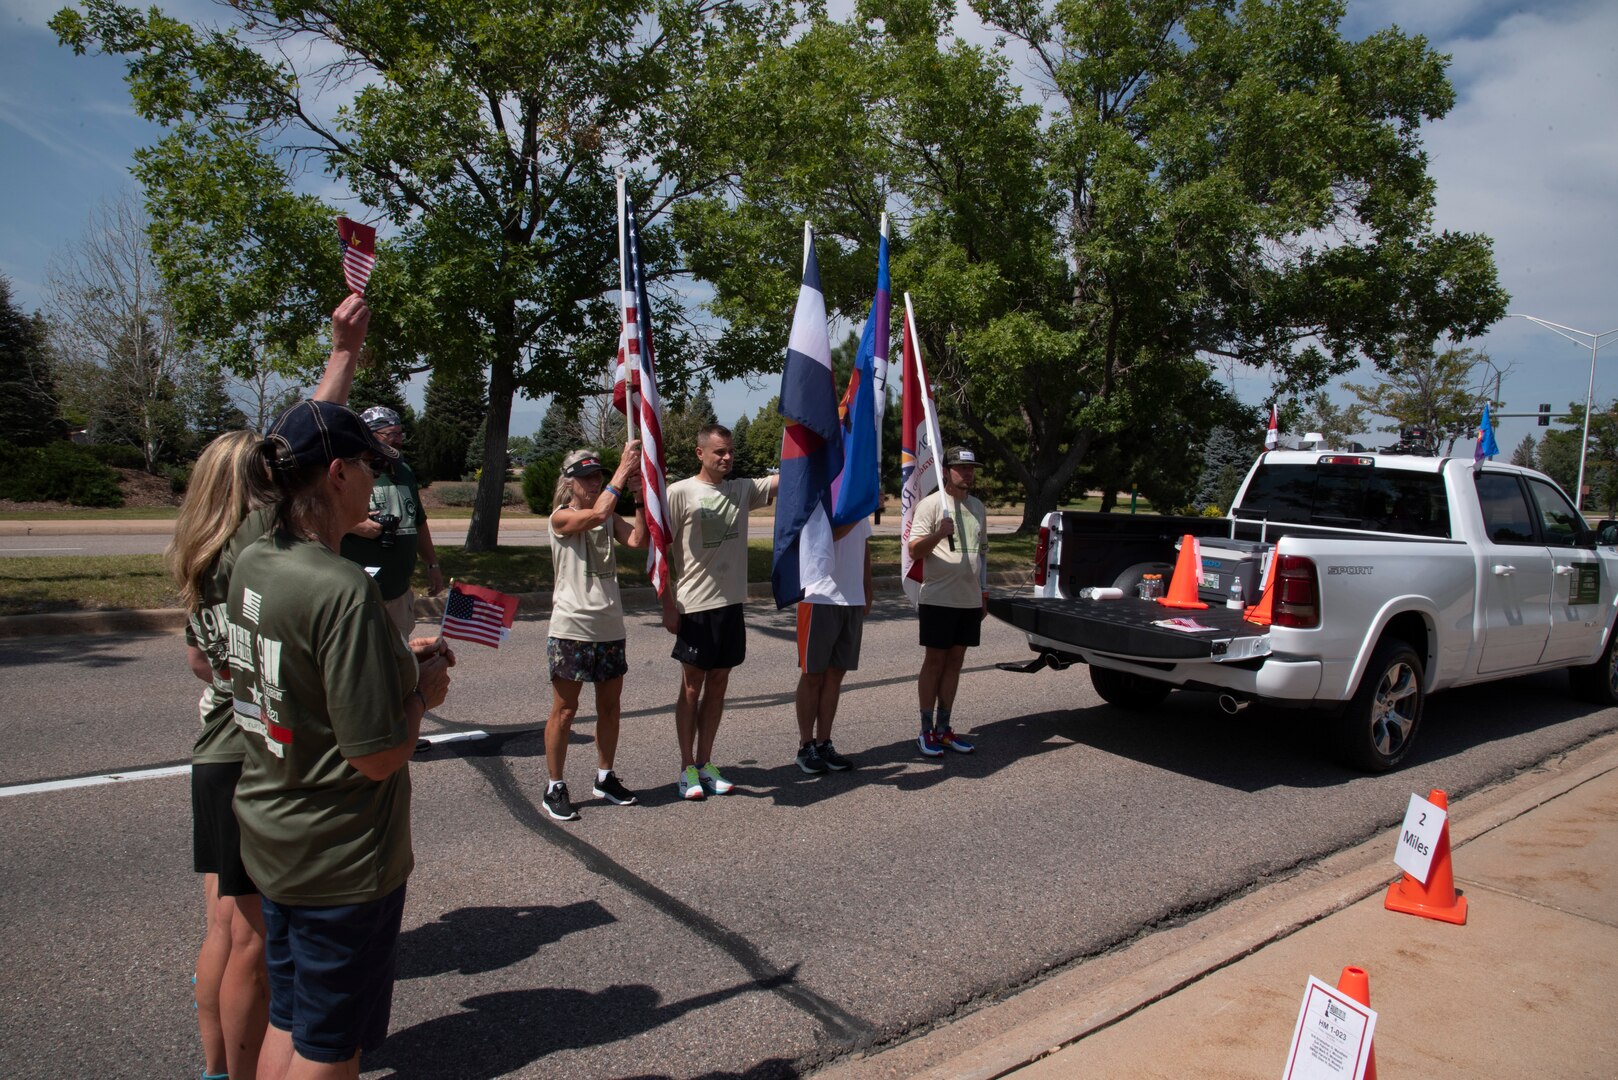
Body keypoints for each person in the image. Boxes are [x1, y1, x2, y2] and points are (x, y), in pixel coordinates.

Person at [162, 294, 373, 1080]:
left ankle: (219, 1068)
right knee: (251, 941)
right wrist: (342, 354)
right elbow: (309, 435)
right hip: (250, 753)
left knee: (224, 926)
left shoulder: (204, 553)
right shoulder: (257, 544)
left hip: (212, 744)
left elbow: (199, 662)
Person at [228, 397, 454, 1080]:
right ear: (335, 474)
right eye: (367, 466)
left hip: (275, 835)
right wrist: (421, 695)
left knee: (290, 1020)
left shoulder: (254, 559)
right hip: (344, 856)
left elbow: (305, 680)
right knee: (331, 1048)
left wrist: (394, 664)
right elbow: (378, 755)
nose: (375, 482)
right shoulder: (342, 587)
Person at [661, 424, 778, 799]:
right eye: (718, 453)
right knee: (692, 688)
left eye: (729, 452)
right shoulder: (679, 493)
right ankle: (685, 769)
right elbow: (658, 551)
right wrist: (667, 602)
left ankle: (706, 762)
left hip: (731, 605)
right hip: (695, 605)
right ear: (700, 453)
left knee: (720, 684)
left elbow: (782, 479)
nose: (726, 458)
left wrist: (820, 443)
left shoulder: (740, 490)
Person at [542, 443, 647, 821]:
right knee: (565, 711)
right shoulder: (560, 517)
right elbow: (598, 511)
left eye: (597, 475)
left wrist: (638, 498)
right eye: (585, 477)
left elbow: (638, 540)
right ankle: (554, 785)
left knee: (610, 707)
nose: (593, 481)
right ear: (569, 483)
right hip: (572, 627)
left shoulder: (607, 514)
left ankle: (605, 776)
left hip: (609, 625)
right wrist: (623, 470)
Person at [908, 445, 989, 757]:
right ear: (945, 471)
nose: (967, 473)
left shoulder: (978, 507)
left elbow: (983, 553)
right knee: (935, 662)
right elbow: (914, 550)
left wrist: (984, 593)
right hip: (938, 599)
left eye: (970, 468)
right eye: (960, 468)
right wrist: (939, 534)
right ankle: (926, 729)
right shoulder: (931, 506)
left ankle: (944, 728)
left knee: (956, 661)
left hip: (968, 600)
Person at [339, 406, 443, 639]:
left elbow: (418, 521)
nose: (398, 440)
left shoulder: (404, 471)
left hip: (398, 592)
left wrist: (432, 565)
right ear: (369, 435)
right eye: (390, 434)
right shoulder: (349, 471)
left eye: (400, 434)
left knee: (399, 666)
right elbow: (320, 515)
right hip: (360, 594)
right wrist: (357, 525)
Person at [794, 516, 872, 774]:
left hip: (851, 597)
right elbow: (828, 536)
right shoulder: (820, 497)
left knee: (835, 674)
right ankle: (806, 746)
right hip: (819, 596)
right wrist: (861, 509)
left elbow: (864, 546)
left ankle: (824, 743)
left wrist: (867, 588)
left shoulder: (858, 495)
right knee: (813, 674)